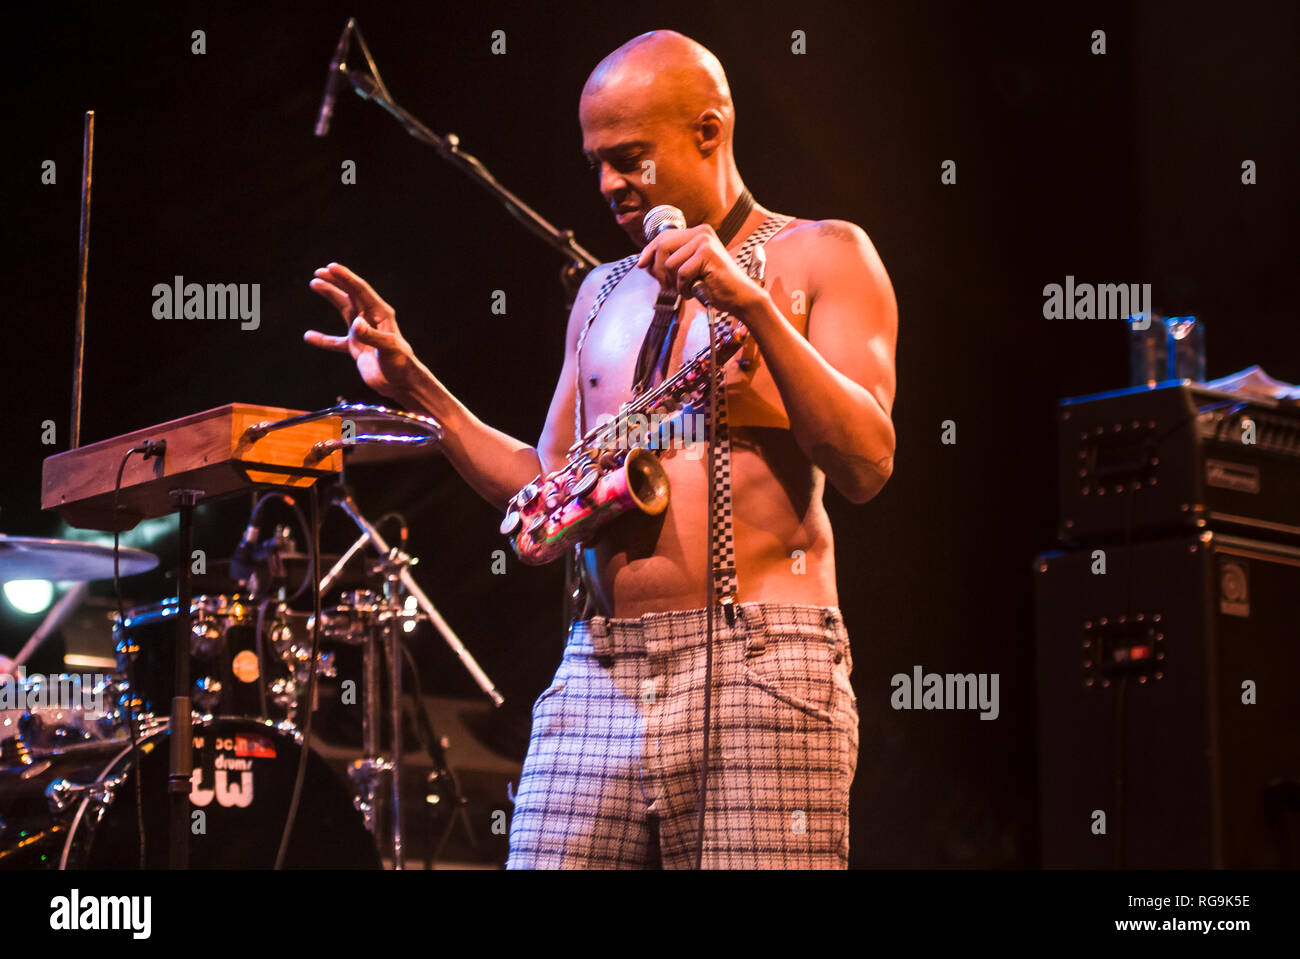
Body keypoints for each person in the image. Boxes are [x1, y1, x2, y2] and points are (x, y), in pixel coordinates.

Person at [305, 29, 897, 869]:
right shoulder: (600, 292)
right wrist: (416, 388)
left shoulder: (826, 254)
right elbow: (549, 485)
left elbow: (869, 461)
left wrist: (758, 309)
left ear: (709, 129)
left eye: (629, 156)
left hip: (765, 662)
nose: (610, 184)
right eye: (595, 163)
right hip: (600, 665)